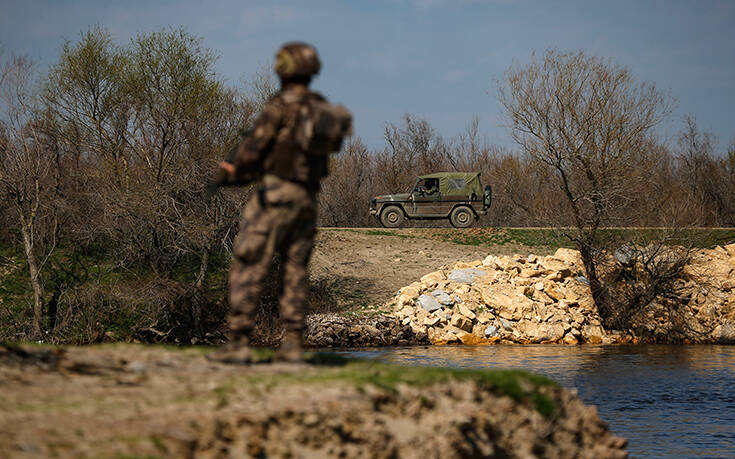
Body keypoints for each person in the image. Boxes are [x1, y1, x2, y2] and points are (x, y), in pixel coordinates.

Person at [213, 42, 351, 363]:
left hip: (275, 196)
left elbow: (251, 151)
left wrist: (231, 171)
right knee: (295, 272)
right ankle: (292, 344)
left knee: (250, 262)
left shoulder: (279, 108)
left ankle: (238, 342)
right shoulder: (322, 109)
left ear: (283, 69)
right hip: (307, 199)